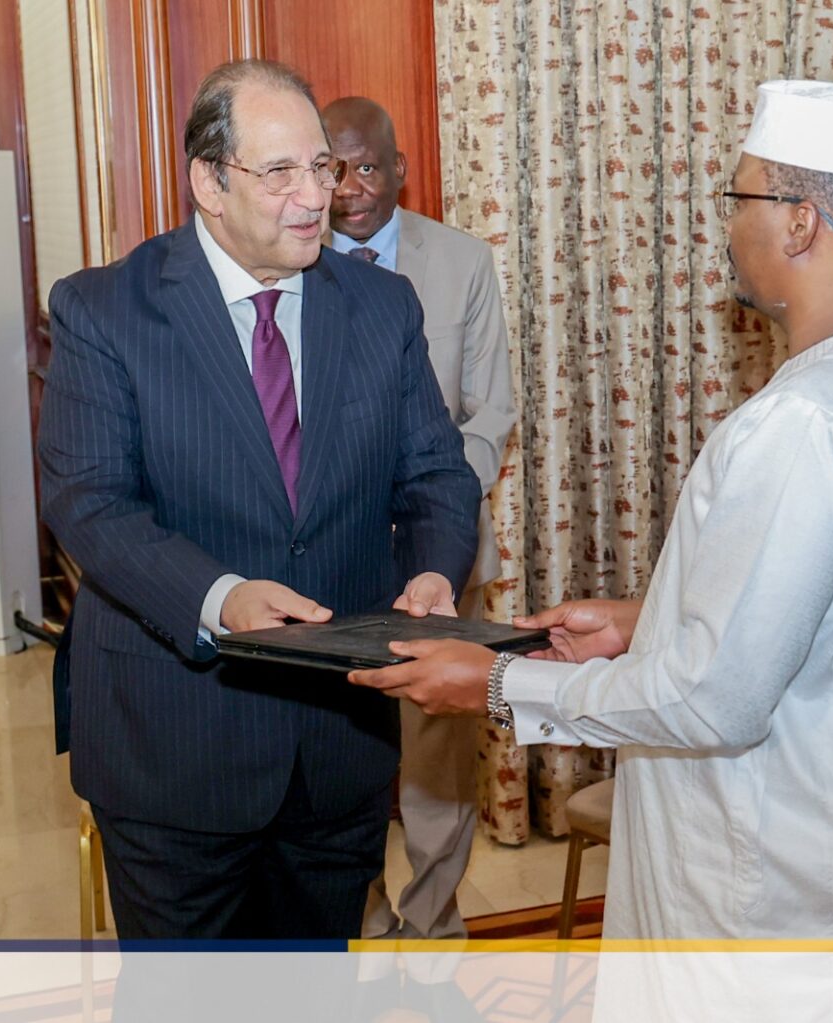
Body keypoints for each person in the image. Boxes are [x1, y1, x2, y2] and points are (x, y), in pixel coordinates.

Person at [348, 81, 833, 939]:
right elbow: (824, 621)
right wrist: (650, 620)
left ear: (801, 224)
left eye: (740, 197)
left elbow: (714, 699)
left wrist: (492, 681)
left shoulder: (807, 420)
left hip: (769, 888)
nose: (727, 226)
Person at [37, 59, 480, 939]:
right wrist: (220, 596)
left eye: (321, 167)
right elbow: (90, 501)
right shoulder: (105, 310)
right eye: (280, 173)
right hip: (174, 746)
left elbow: (436, 471)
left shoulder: (382, 306)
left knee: (313, 990)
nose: (316, 197)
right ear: (209, 182)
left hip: (336, 749)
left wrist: (435, 570)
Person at [320, 95, 517, 942]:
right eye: (333, 170)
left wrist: (436, 506)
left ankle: (434, 930)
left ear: (399, 168)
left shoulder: (461, 260)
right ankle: (363, 921)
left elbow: (490, 412)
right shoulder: (291, 260)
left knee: (437, 752)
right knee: (345, 749)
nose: (350, 188)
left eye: (367, 167)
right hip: (334, 553)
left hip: (441, 544)